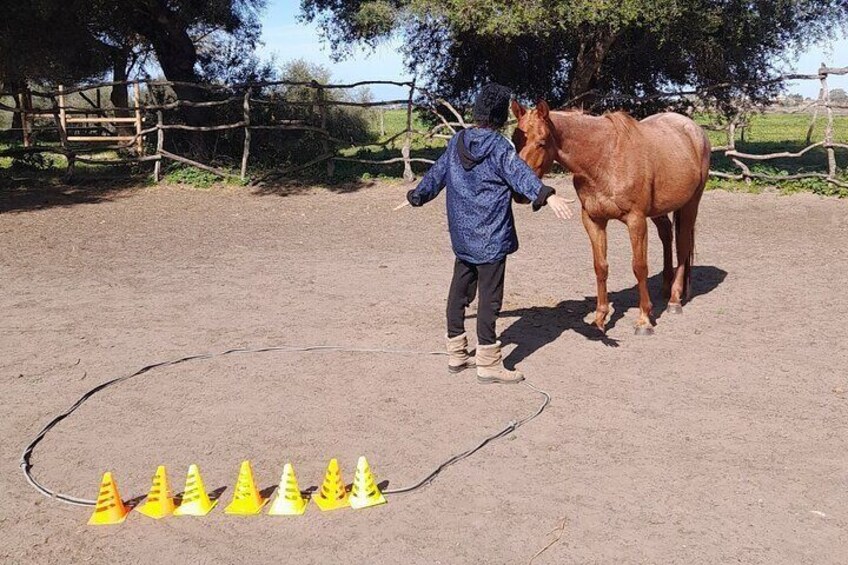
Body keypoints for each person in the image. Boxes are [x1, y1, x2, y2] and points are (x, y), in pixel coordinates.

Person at [401, 83, 572, 384]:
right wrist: (547, 194)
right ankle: (488, 362)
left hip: (463, 236)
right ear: (499, 114)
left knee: (459, 292)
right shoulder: (499, 147)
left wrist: (417, 195)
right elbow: (520, 174)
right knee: (489, 300)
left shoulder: (457, 142)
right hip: (491, 237)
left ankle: (456, 352)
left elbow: (437, 173)